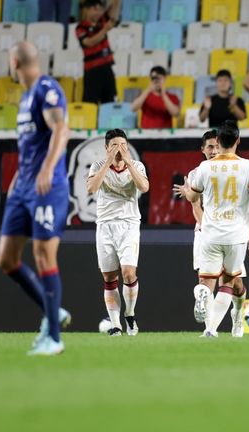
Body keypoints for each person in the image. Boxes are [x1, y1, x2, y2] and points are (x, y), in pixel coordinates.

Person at [0, 41, 71, 355]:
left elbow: (61, 129)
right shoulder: (26, 99)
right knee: (6, 259)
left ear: (15, 62)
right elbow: (30, 148)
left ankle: (53, 337)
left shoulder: (45, 88)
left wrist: (48, 169)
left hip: (47, 186)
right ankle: (53, 309)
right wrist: (17, 181)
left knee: (43, 255)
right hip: (23, 187)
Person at [179, 121, 249, 337]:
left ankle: (204, 300)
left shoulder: (204, 168)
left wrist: (188, 191)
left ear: (218, 142)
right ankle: (211, 329)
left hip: (209, 233)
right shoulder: (247, 166)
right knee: (227, 281)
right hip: (235, 236)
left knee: (207, 282)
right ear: (238, 141)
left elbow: (194, 197)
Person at [177, 130, 249, 337]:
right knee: (206, 284)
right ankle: (210, 329)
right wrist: (207, 227)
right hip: (206, 232)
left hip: (230, 232)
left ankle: (237, 315)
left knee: (236, 285)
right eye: (209, 147)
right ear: (202, 149)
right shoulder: (198, 172)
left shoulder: (234, 169)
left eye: (216, 146)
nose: (213, 150)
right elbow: (196, 206)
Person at [86, 129, 149, 336]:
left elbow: (144, 187)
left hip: (129, 224)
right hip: (105, 225)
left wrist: (129, 163)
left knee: (129, 273)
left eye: (123, 144)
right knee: (109, 276)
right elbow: (91, 189)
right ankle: (115, 324)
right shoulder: (97, 166)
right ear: (106, 148)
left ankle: (129, 315)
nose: (119, 149)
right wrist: (107, 163)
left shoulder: (136, 165)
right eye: (114, 145)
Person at [76, 0, 121, 104]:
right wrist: (104, 30)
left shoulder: (102, 20)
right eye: (95, 9)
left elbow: (114, 8)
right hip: (92, 70)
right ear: (86, 10)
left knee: (110, 102)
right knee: (90, 103)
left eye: (100, 9)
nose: (98, 12)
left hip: (106, 68)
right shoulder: (80, 27)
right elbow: (89, 42)